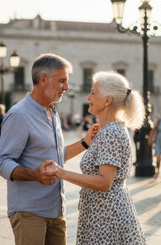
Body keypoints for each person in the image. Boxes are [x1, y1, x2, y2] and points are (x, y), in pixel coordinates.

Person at [0, 53, 99, 245]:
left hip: (56, 211)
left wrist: (85, 142)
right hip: (29, 212)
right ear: (43, 79)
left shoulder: (51, 111)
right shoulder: (19, 115)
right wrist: (35, 174)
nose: (66, 87)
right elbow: (2, 162)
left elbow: (55, 158)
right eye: (62, 81)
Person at [46, 71, 146, 244]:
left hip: (106, 218)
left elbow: (104, 182)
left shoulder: (111, 133)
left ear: (107, 101)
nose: (88, 97)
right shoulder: (108, 130)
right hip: (102, 213)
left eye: (93, 93)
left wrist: (62, 173)